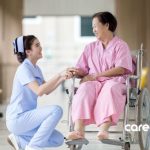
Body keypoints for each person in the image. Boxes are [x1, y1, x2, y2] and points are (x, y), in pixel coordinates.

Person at [67, 11, 133, 140]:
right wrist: (76, 72)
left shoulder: (121, 46)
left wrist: (96, 75)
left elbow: (121, 68)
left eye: (95, 26)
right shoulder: (90, 47)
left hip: (114, 81)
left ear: (107, 25)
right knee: (85, 88)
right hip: (94, 82)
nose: (93, 30)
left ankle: (104, 130)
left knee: (110, 88)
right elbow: (83, 69)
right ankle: (78, 131)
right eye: (93, 27)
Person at [6, 35, 72, 150]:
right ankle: (33, 147)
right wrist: (59, 74)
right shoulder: (24, 69)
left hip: (26, 119)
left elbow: (47, 90)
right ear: (28, 52)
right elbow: (39, 91)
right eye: (37, 45)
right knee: (56, 110)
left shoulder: (36, 68)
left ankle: (19, 141)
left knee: (58, 139)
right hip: (17, 118)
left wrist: (63, 77)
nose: (41, 47)